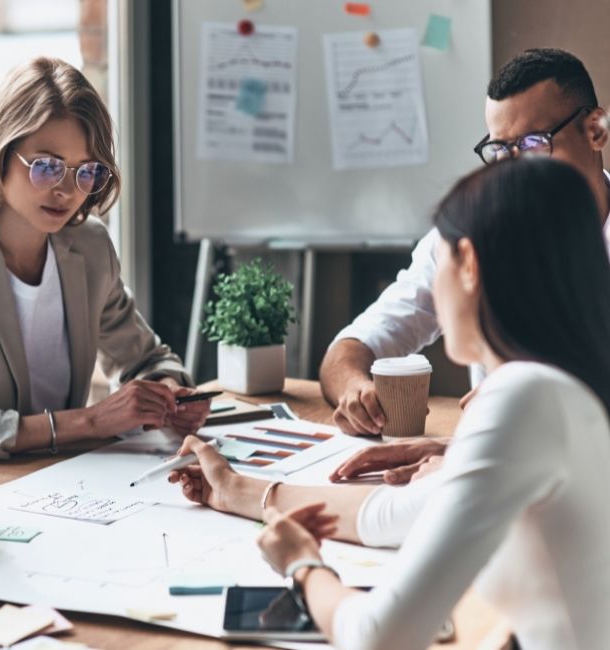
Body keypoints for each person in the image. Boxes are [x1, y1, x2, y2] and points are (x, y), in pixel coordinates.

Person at [177, 158, 610, 647]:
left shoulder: (522, 400)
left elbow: (380, 637)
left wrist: (302, 567)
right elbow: (392, 514)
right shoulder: (562, 395)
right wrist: (231, 488)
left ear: (467, 263)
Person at [0, 57, 209, 472]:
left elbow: (147, 361)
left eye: (85, 172)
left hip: (72, 483)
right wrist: (88, 421)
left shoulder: (89, 245)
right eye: (46, 166)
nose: (66, 191)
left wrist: (167, 395)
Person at [321, 49, 610, 463]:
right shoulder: (466, 241)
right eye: (501, 151)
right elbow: (353, 346)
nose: (513, 170)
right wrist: (354, 387)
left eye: (533, 144)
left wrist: (527, 409)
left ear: (595, 130)